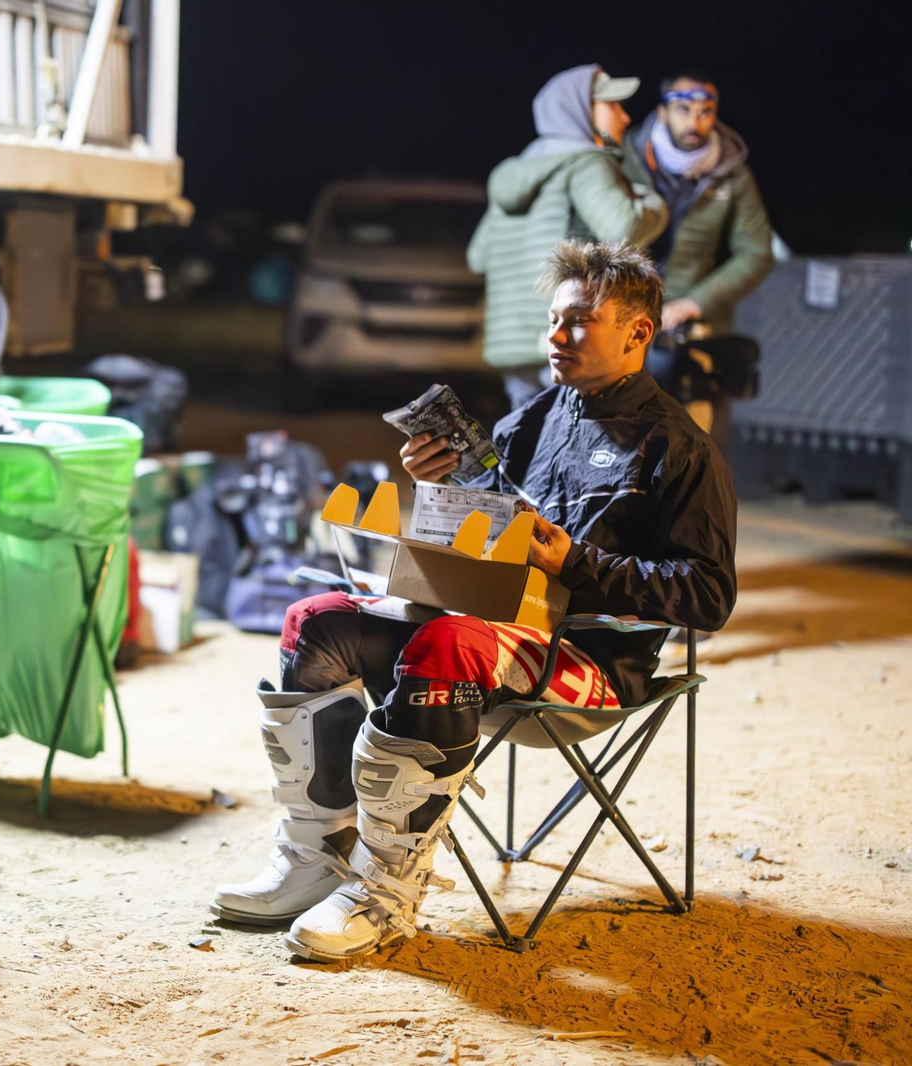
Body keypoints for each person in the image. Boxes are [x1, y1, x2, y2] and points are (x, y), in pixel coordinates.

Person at [212, 240, 736, 962]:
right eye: (553, 320)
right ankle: (316, 857)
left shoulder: (680, 450)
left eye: (579, 322)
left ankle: (386, 890)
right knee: (318, 622)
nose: (556, 338)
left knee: (447, 644)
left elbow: (707, 596)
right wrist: (437, 486)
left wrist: (574, 560)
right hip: (489, 631)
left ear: (638, 333)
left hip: (592, 659)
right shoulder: (533, 419)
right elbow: (480, 535)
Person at [469, 64, 668, 409]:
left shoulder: (517, 171)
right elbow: (626, 230)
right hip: (567, 336)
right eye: (612, 106)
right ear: (578, 110)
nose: (624, 118)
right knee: (578, 444)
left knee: (527, 445)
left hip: (513, 344)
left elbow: (478, 256)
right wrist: (651, 201)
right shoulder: (587, 164)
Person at [624, 71, 774, 431]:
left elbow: (757, 252)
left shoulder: (732, 174)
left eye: (706, 111)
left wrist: (695, 302)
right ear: (662, 112)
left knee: (695, 437)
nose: (696, 121)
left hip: (692, 327)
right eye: (683, 109)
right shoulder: (624, 159)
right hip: (626, 315)